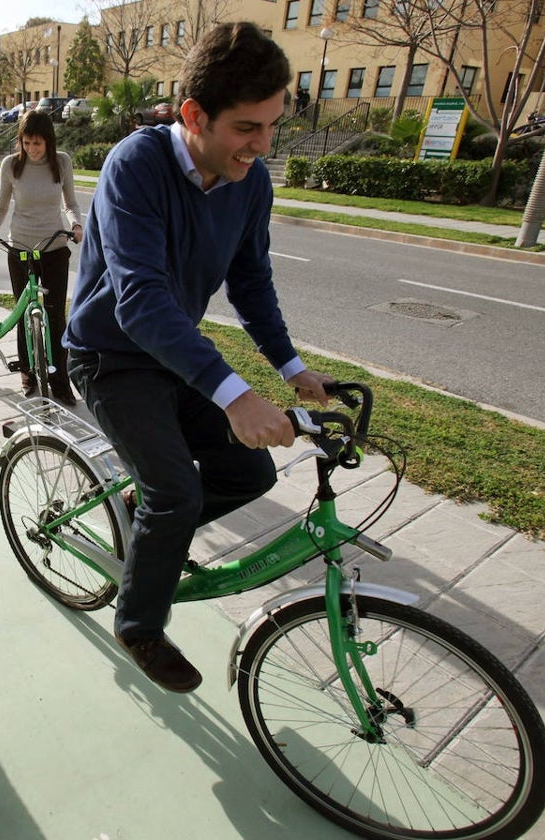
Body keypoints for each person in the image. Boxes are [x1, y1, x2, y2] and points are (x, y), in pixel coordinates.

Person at [62, 23, 335, 693]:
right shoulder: (137, 165)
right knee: (175, 491)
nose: (262, 145)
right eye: (248, 127)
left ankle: (147, 524)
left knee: (250, 476)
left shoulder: (249, 182)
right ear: (194, 115)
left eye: (272, 126)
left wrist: (291, 368)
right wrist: (236, 395)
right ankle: (139, 624)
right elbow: (140, 302)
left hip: (172, 355)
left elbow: (250, 282)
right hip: (110, 355)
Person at [0, 110, 84, 406]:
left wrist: (75, 225)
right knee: (25, 314)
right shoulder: (11, 165)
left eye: (37, 143)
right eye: (26, 143)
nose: (32, 149)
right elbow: (0, 207)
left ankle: (60, 383)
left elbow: (71, 202)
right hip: (20, 248)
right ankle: (27, 373)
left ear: (48, 141)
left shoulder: (61, 162)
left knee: (54, 317)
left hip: (53, 248)